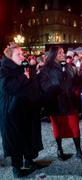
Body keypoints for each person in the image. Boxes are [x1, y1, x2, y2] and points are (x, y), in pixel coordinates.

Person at [0, 42, 43, 178]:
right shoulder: (4, 70)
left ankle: (29, 160)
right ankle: (16, 168)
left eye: (22, 53)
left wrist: (33, 71)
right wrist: (23, 77)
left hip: (27, 108)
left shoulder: (22, 67)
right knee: (15, 138)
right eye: (18, 54)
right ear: (10, 56)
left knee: (28, 135)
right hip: (11, 111)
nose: (22, 56)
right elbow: (7, 87)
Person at [39, 46, 82, 162]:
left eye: (63, 52)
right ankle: (60, 150)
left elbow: (76, 80)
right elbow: (44, 85)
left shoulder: (68, 66)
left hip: (69, 102)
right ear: (53, 54)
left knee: (74, 127)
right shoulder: (46, 69)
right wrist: (55, 86)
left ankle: (78, 151)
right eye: (60, 52)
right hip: (55, 102)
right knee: (58, 127)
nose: (63, 54)